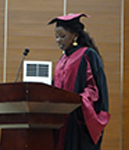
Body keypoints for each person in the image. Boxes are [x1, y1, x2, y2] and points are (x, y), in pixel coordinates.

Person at [49, 13, 109, 150]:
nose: (58, 40)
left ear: (75, 36)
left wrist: (78, 100)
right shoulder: (62, 60)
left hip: (78, 121)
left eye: (62, 36)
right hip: (61, 120)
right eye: (56, 37)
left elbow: (95, 89)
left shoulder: (87, 55)